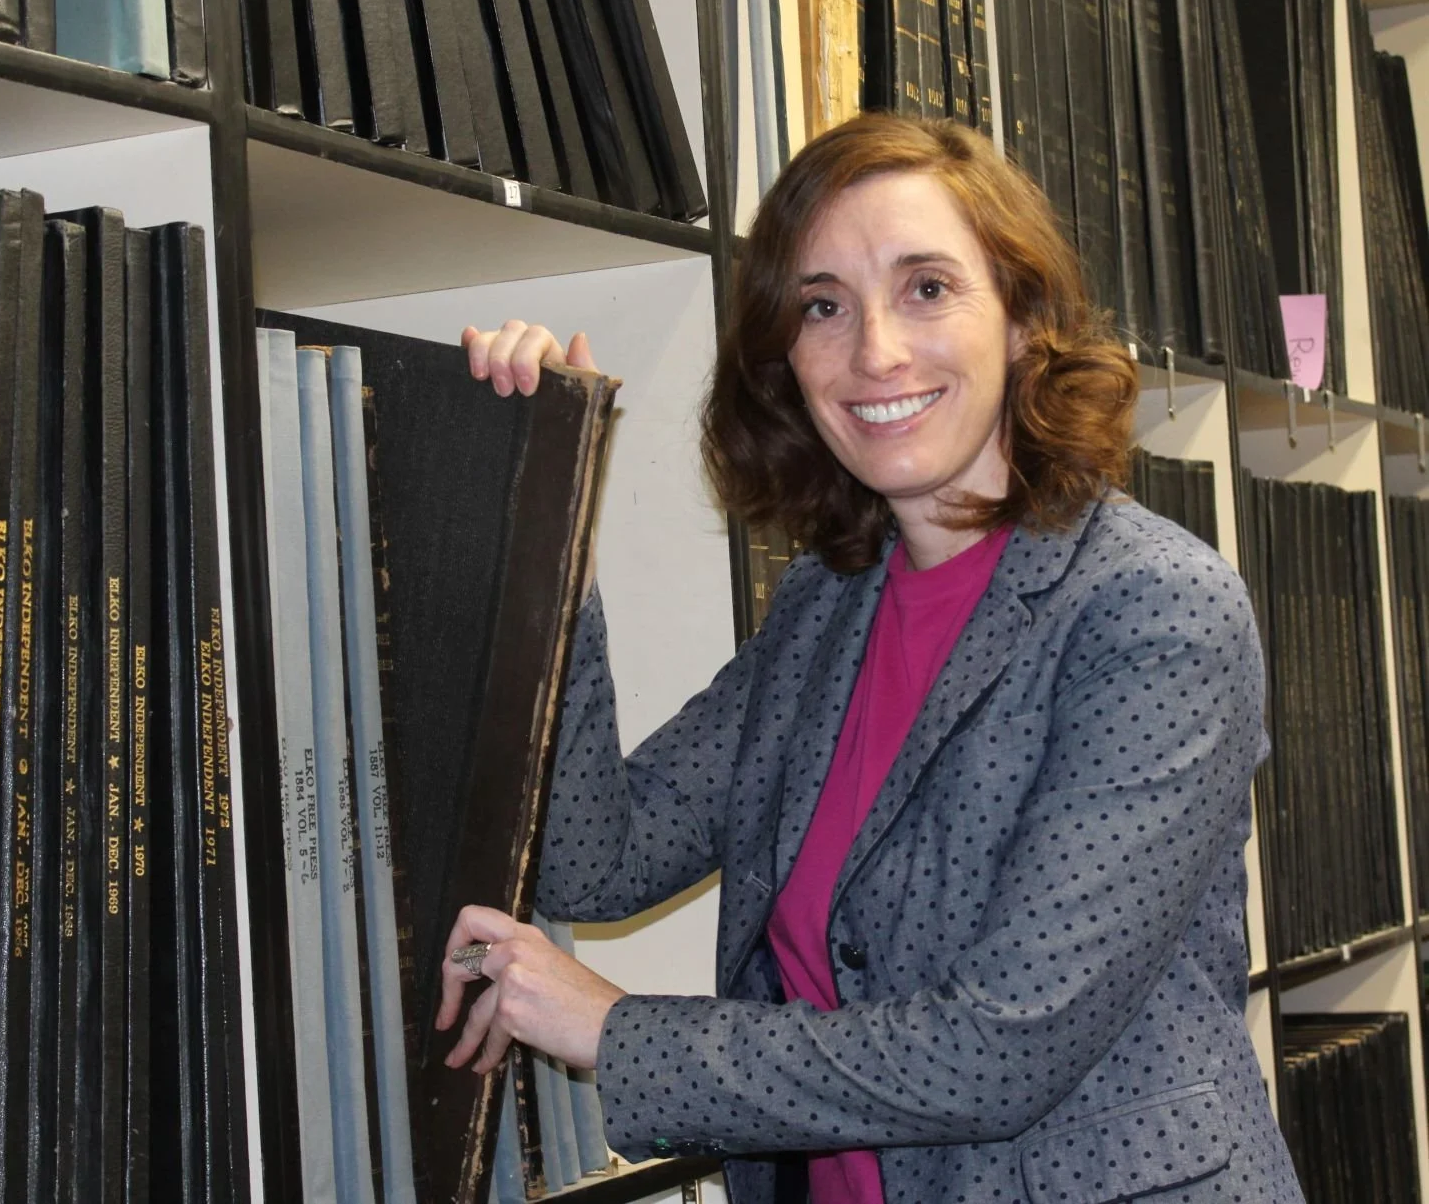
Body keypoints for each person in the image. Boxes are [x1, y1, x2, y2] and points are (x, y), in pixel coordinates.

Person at [435, 115, 1304, 1203]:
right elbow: (596, 860)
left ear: (1026, 322)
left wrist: (616, 1030)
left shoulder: (1154, 612)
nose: (875, 352)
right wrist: (554, 527)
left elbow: (999, 1051)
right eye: (822, 306)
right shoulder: (825, 606)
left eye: (927, 288)